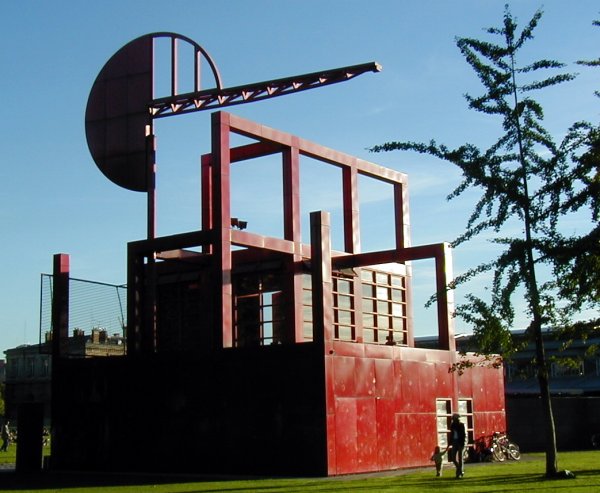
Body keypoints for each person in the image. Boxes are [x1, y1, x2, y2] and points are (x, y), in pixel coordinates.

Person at [449, 413, 466, 478]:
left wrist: (463, 443)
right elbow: (451, 435)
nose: (453, 420)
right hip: (454, 442)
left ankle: (459, 473)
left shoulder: (461, 425)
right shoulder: (452, 425)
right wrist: (450, 442)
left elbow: (463, 435)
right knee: (453, 458)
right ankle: (460, 469)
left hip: (460, 442)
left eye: (453, 419)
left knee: (460, 457)